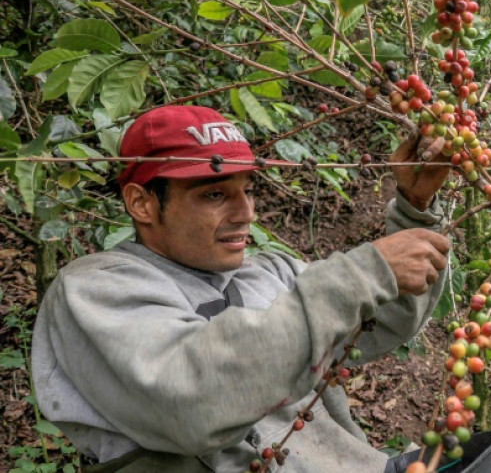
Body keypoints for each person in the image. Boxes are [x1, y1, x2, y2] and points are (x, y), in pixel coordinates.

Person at [30, 105, 453, 472]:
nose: (245, 213)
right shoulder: (94, 291)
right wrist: (360, 275)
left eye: (247, 191)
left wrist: (413, 209)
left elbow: (380, 322)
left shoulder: (272, 273)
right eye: (215, 194)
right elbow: (194, 400)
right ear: (141, 203)